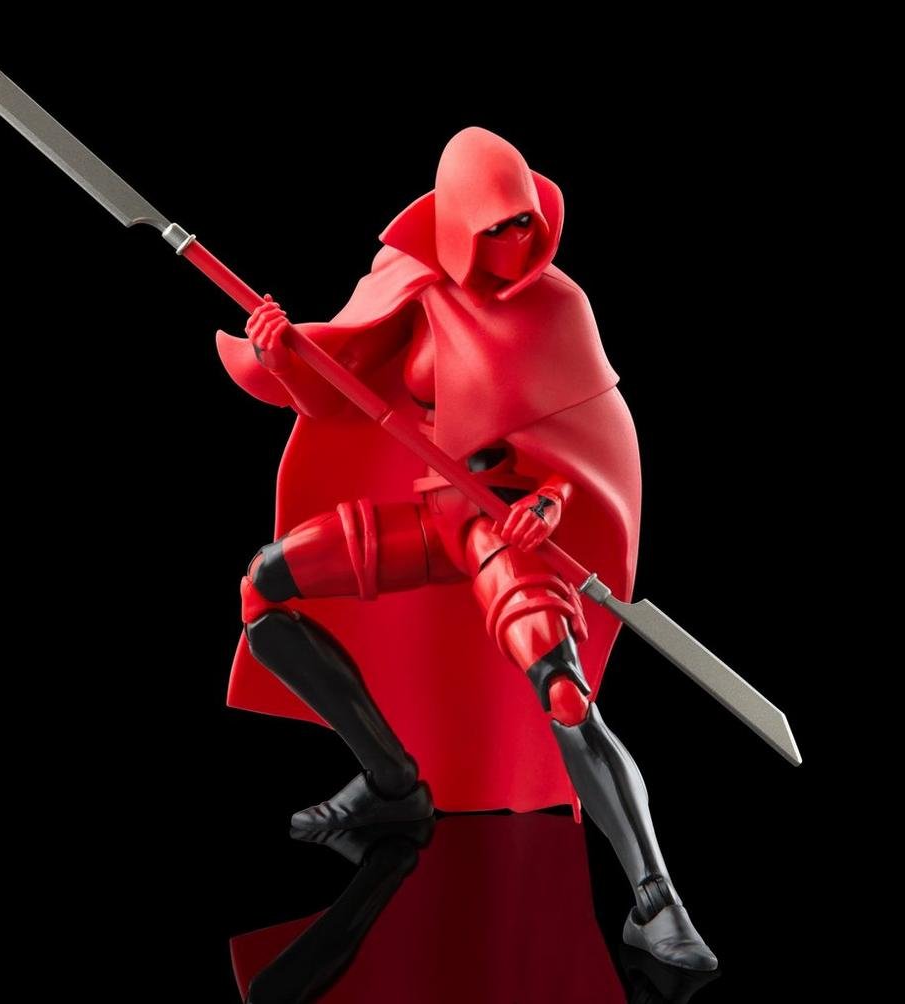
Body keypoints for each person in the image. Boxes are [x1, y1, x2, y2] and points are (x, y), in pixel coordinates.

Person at [216, 126, 717, 971]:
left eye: (525, 223)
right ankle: (392, 782)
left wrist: (549, 504)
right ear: (455, 229)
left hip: (503, 529)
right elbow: (337, 394)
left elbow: (589, 444)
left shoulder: (559, 308)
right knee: (265, 588)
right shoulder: (410, 287)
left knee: (564, 693)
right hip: (428, 517)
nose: (516, 241)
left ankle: (655, 899)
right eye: (496, 227)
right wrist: (285, 356)